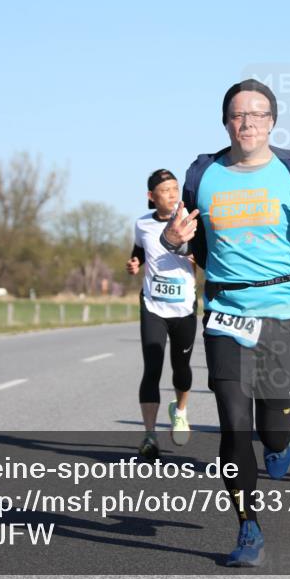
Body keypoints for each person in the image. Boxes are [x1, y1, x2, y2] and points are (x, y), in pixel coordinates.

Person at [161, 79, 290, 567]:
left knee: (275, 429)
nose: (248, 122)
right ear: (226, 122)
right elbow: (185, 243)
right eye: (239, 114)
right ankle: (248, 529)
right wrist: (173, 241)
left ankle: (279, 444)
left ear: (272, 122)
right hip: (225, 313)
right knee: (234, 427)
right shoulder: (204, 175)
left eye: (258, 114)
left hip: (283, 311)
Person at [126, 169, 197, 460]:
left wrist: (196, 256)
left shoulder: (190, 221)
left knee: (181, 369)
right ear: (151, 197)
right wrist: (134, 263)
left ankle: (180, 410)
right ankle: (150, 435)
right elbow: (140, 250)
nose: (172, 194)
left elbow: (205, 255)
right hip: (153, 304)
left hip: (184, 306)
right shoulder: (142, 223)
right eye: (165, 190)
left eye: (174, 188)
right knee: (152, 368)